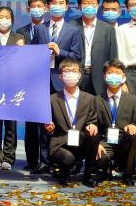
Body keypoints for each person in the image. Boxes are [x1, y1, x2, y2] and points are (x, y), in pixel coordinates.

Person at [44, 58, 104, 187]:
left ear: (79, 75)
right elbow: (47, 124)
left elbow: (92, 120)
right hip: (61, 143)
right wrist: (48, 127)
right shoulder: (52, 99)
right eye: (67, 71)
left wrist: (92, 125)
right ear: (60, 76)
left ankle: (88, 176)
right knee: (68, 159)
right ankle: (64, 172)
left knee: (93, 135)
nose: (71, 74)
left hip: (80, 141)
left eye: (74, 71)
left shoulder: (90, 99)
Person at [0, 6, 24, 171]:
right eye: (1, 16)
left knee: (10, 124)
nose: (4, 19)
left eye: (7, 17)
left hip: (12, 87)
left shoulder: (19, 38)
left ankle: (8, 157)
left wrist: (22, 50)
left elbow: (25, 62)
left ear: (12, 20)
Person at [16, 0, 49, 172]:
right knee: (30, 124)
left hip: (47, 80)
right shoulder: (20, 31)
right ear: (28, 9)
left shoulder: (49, 29)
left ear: (46, 8)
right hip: (28, 82)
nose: (36, 9)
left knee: (46, 122)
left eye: (40, 6)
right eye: (33, 6)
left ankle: (46, 160)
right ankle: (31, 159)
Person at [95, 60, 136, 185]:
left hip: (123, 141)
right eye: (110, 73)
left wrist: (134, 126)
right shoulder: (97, 100)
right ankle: (105, 169)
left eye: (118, 73)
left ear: (124, 77)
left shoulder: (132, 100)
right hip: (105, 141)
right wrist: (96, 143)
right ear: (104, 76)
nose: (114, 76)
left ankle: (128, 174)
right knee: (100, 156)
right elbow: (93, 124)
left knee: (134, 136)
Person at [76, 0, 118, 95]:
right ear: (79, 6)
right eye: (86, 3)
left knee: (99, 105)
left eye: (93, 3)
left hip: (100, 79)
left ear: (98, 6)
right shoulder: (71, 26)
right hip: (76, 77)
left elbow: (113, 57)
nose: (90, 6)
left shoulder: (108, 29)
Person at [44, 0, 83, 93]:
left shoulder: (73, 31)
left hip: (62, 79)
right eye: (54, 3)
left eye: (61, 3)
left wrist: (59, 52)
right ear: (48, 7)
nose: (57, 6)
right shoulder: (39, 28)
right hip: (41, 79)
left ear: (66, 7)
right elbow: (33, 52)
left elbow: (77, 57)